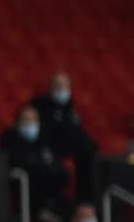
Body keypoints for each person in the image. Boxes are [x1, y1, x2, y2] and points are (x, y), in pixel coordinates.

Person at [0, 104, 70, 222]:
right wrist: (44, 170)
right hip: (25, 202)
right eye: (26, 120)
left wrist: (42, 170)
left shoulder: (45, 142)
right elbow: (25, 167)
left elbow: (62, 173)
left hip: (51, 200)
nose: (30, 124)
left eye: (33, 120)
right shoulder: (10, 141)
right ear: (17, 122)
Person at [30, 72, 97, 201]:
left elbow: (79, 134)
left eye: (65, 86)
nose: (61, 89)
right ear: (50, 87)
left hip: (74, 153)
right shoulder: (40, 107)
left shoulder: (71, 110)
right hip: (49, 152)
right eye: (58, 85)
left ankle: (88, 204)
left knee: (91, 158)